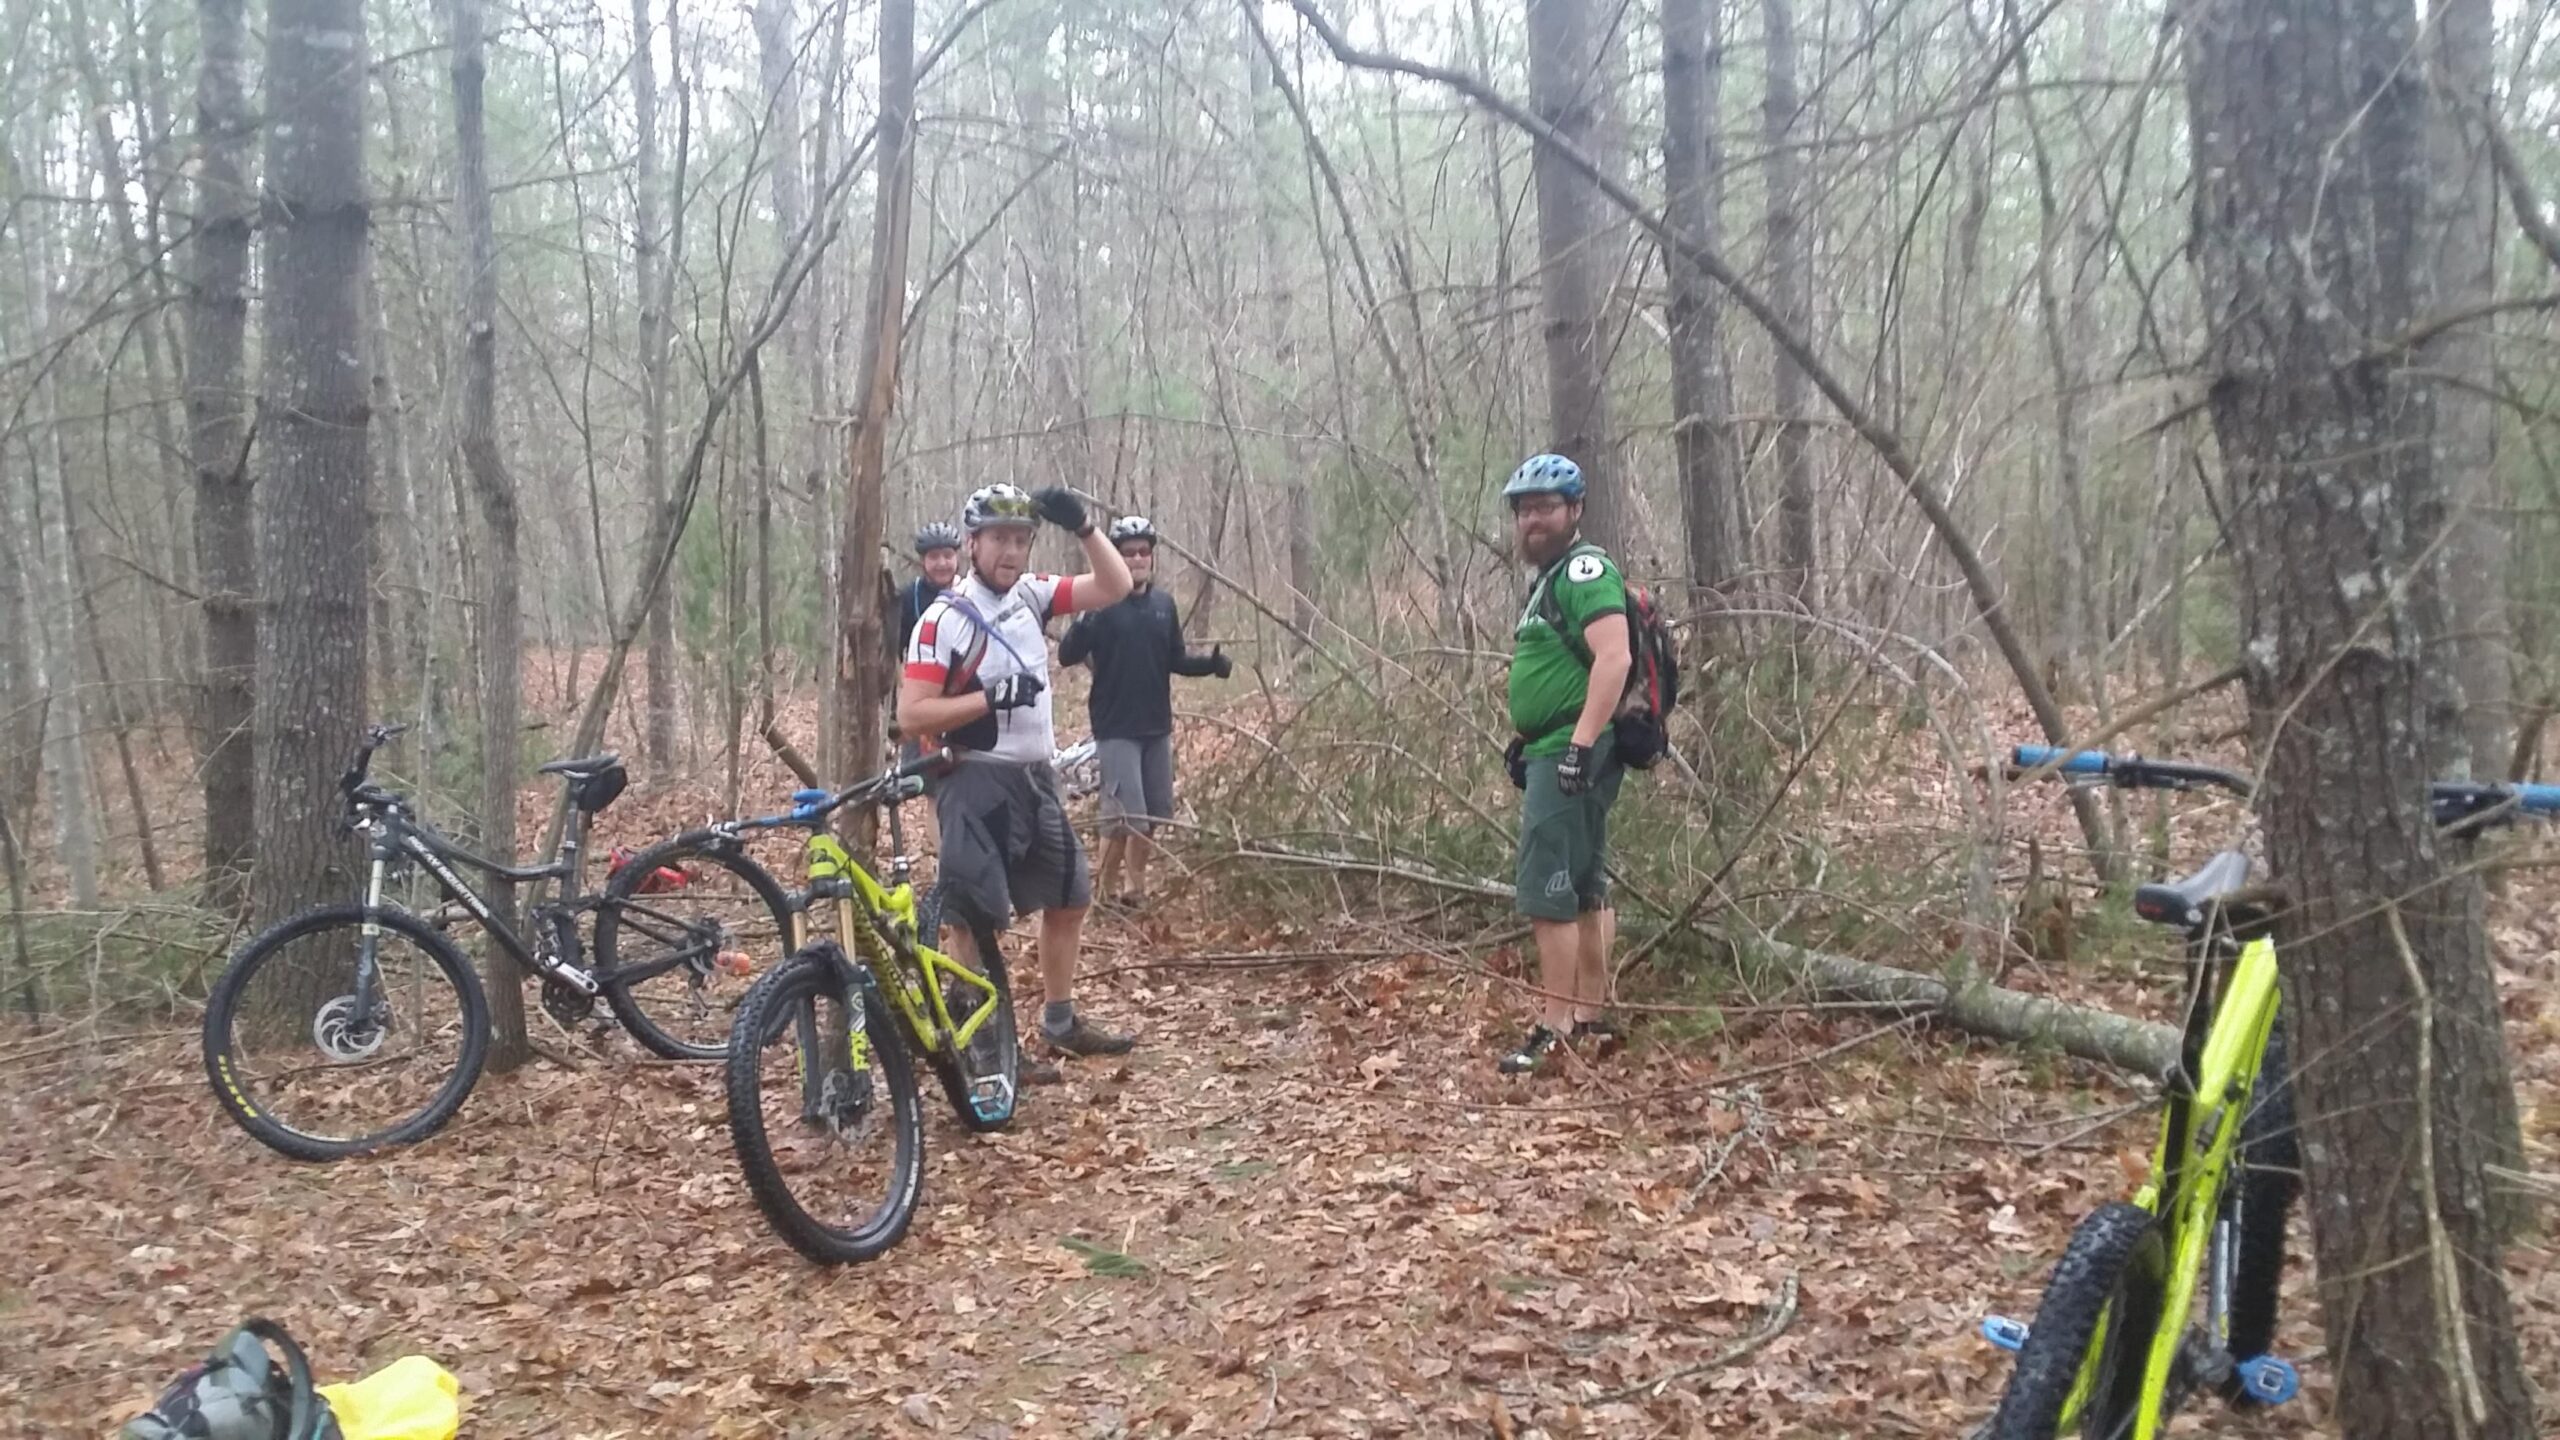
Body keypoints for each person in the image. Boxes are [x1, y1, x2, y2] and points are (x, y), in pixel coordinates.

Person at [898, 483, 1137, 1072]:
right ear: (973, 544)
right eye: (999, 539)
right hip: (973, 783)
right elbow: (911, 714)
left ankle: (1059, 1020)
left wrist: (1083, 527)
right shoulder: (942, 620)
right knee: (976, 920)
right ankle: (983, 1044)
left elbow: (1115, 587)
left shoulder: (1032, 597)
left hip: (1036, 778)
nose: (1011, 552)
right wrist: (987, 698)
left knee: (1070, 897)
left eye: (1021, 540)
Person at [1496, 453, 1630, 1076]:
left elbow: (1614, 659)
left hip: (1572, 752)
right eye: (1524, 510)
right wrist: (1532, 735)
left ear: (1575, 510)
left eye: (1546, 507)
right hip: (1556, 746)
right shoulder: (1551, 581)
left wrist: (1575, 745)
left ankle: (1556, 1024)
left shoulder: (1583, 569)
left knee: (1546, 890)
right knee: (1583, 885)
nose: (1533, 521)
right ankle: (1591, 1013)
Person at [1058, 515, 1231, 910]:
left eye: (1143, 552)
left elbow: (1176, 659)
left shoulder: (1162, 605)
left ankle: (1135, 890)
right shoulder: (1101, 606)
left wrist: (1210, 665)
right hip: (1116, 726)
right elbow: (1068, 655)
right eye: (1128, 553)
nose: (1137, 559)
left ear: (1151, 558)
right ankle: (1101, 895)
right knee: (1122, 817)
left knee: (1153, 817)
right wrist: (1086, 616)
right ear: (1116, 558)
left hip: (1156, 726)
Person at [893, 522, 964, 767]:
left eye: (948, 555)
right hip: (925, 700)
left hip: (965, 701)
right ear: (923, 561)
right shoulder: (908, 596)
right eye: (934, 557)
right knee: (927, 780)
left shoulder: (971, 592)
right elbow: (895, 653)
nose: (942, 563)